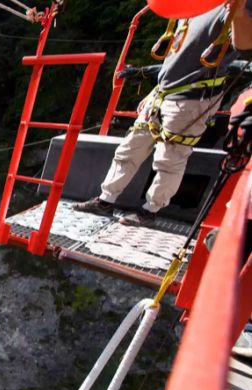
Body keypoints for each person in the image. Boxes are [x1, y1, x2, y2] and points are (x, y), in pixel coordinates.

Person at [74, 1, 247, 226]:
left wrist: (240, 11)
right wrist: (155, 87)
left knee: (170, 158)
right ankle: (106, 200)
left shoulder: (231, 9)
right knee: (129, 148)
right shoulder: (190, 9)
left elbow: (244, 42)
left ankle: (149, 211)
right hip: (163, 92)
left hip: (192, 97)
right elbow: (177, 58)